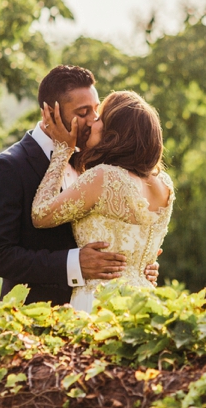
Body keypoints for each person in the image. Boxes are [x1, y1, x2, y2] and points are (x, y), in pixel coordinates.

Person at [0, 65, 159, 305]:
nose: (94, 120)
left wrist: (139, 265)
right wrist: (73, 264)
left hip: (99, 309)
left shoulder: (96, 162)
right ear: (50, 112)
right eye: (83, 112)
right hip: (35, 317)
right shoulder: (8, 167)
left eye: (96, 110)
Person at [32, 90, 174, 312]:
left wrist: (63, 151)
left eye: (99, 119)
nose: (92, 123)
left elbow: (40, 214)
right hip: (145, 303)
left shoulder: (104, 177)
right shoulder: (164, 184)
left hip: (101, 302)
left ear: (112, 133)